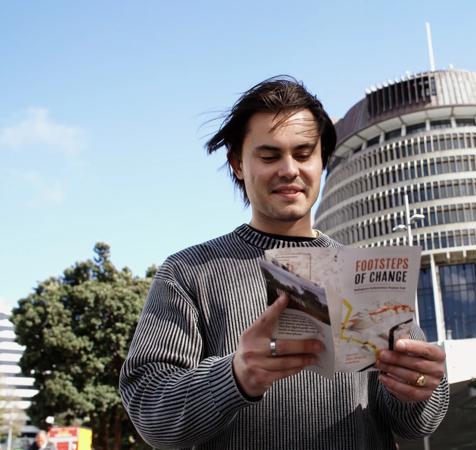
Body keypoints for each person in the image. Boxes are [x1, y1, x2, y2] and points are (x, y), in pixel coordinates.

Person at [120, 76, 449, 449]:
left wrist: (420, 388)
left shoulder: (365, 274)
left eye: (304, 153)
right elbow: (150, 411)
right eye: (269, 156)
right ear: (238, 164)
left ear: (322, 160)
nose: (289, 169)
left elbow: (413, 425)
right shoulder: (188, 272)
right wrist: (235, 375)